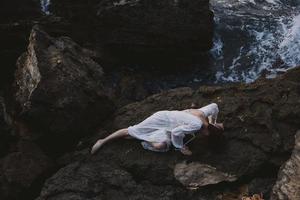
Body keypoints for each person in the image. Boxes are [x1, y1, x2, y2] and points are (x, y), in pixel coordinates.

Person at [91, 103, 224, 155]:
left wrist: (213, 120)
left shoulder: (203, 114)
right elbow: (177, 133)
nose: (204, 136)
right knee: (132, 131)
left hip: (170, 126)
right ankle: (103, 141)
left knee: (160, 145)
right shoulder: (196, 125)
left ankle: (141, 138)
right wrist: (181, 148)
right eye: (207, 135)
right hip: (162, 119)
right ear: (206, 131)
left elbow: (214, 106)